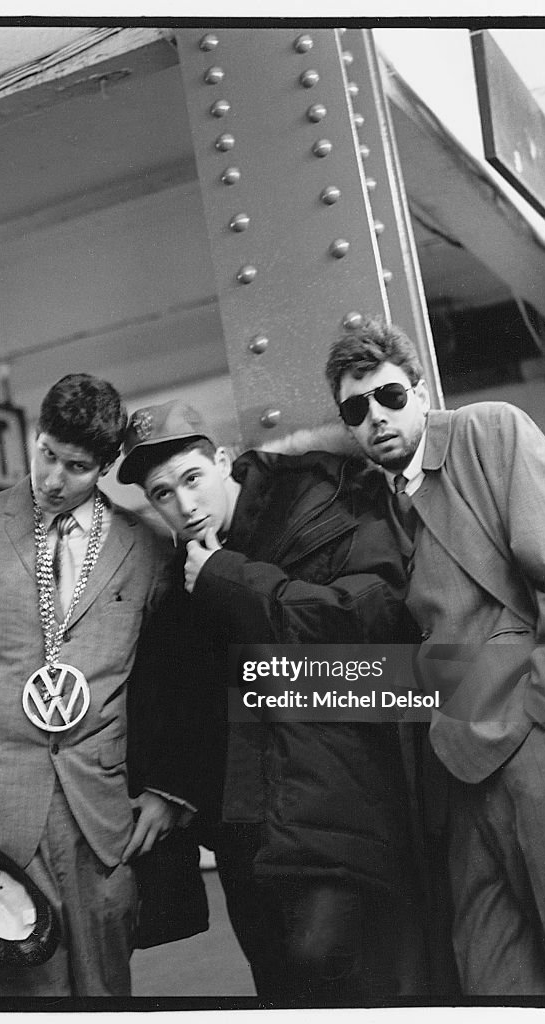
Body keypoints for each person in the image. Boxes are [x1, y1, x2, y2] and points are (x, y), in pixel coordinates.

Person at [324, 316, 545, 997]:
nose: (375, 416)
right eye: (355, 409)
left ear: (421, 391)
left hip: (544, 756)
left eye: (390, 396)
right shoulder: (385, 504)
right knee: (493, 983)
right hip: (460, 774)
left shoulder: (489, 433)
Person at [0, 372, 202, 997]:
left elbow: (177, 678)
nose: (52, 478)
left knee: (107, 994)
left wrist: (171, 788)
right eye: (46, 453)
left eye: (76, 466)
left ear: (106, 466)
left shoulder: (148, 546)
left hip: (105, 818)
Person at [118, 399, 425, 1002]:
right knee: (279, 983)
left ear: (224, 462)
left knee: (335, 968)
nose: (184, 505)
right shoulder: (183, 571)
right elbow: (186, 694)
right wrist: (166, 785)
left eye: (191, 479)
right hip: (245, 824)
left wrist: (226, 580)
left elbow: (369, 624)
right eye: (162, 494)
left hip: (333, 803)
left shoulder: (312, 499)